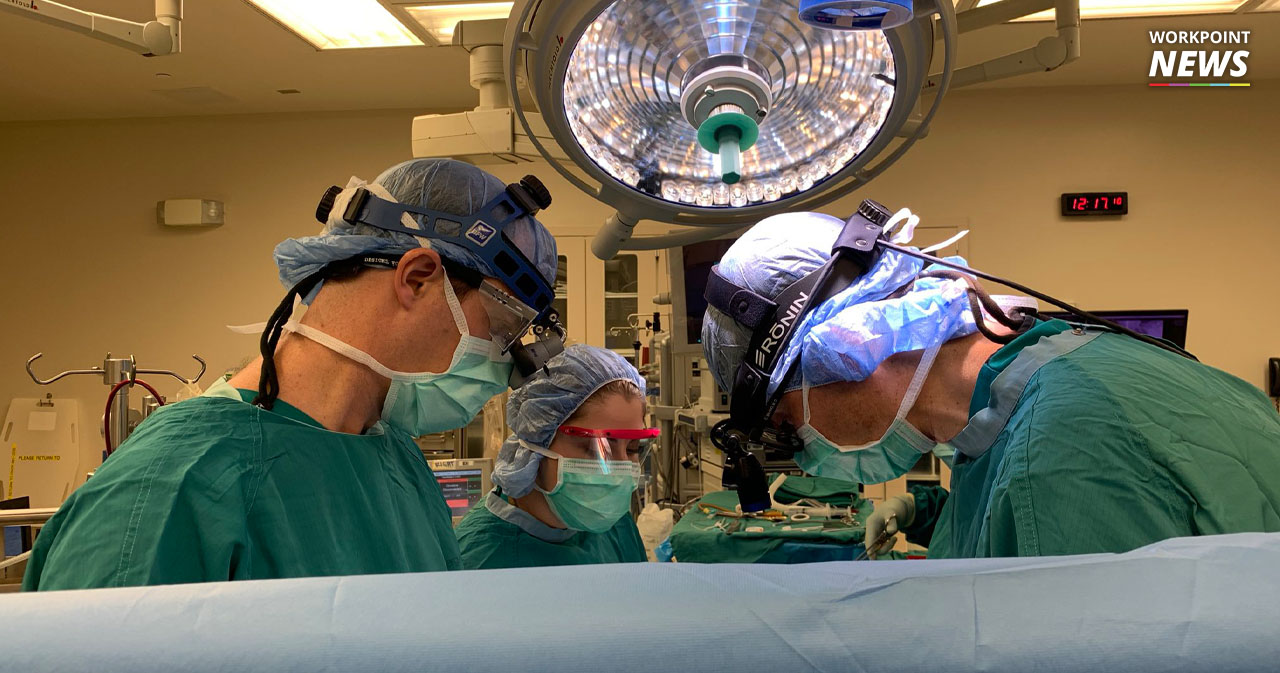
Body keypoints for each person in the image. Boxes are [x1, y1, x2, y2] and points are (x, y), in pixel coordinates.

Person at [23, 159, 558, 590]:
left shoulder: (395, 458)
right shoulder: (172, 485)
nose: (505, 360)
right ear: (417, 278)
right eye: (502, 324)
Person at [702, 210, 1280, 559]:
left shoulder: (1061, 446)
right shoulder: (1037, 389)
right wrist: (920, 510)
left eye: (786, 422)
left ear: (847, 347)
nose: (804, 448)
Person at [454, 344, 654, 569]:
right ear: (537, 442)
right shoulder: (478, 560)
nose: (620, 470)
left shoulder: (613, 526)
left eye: (633, 449)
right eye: (600, 449)